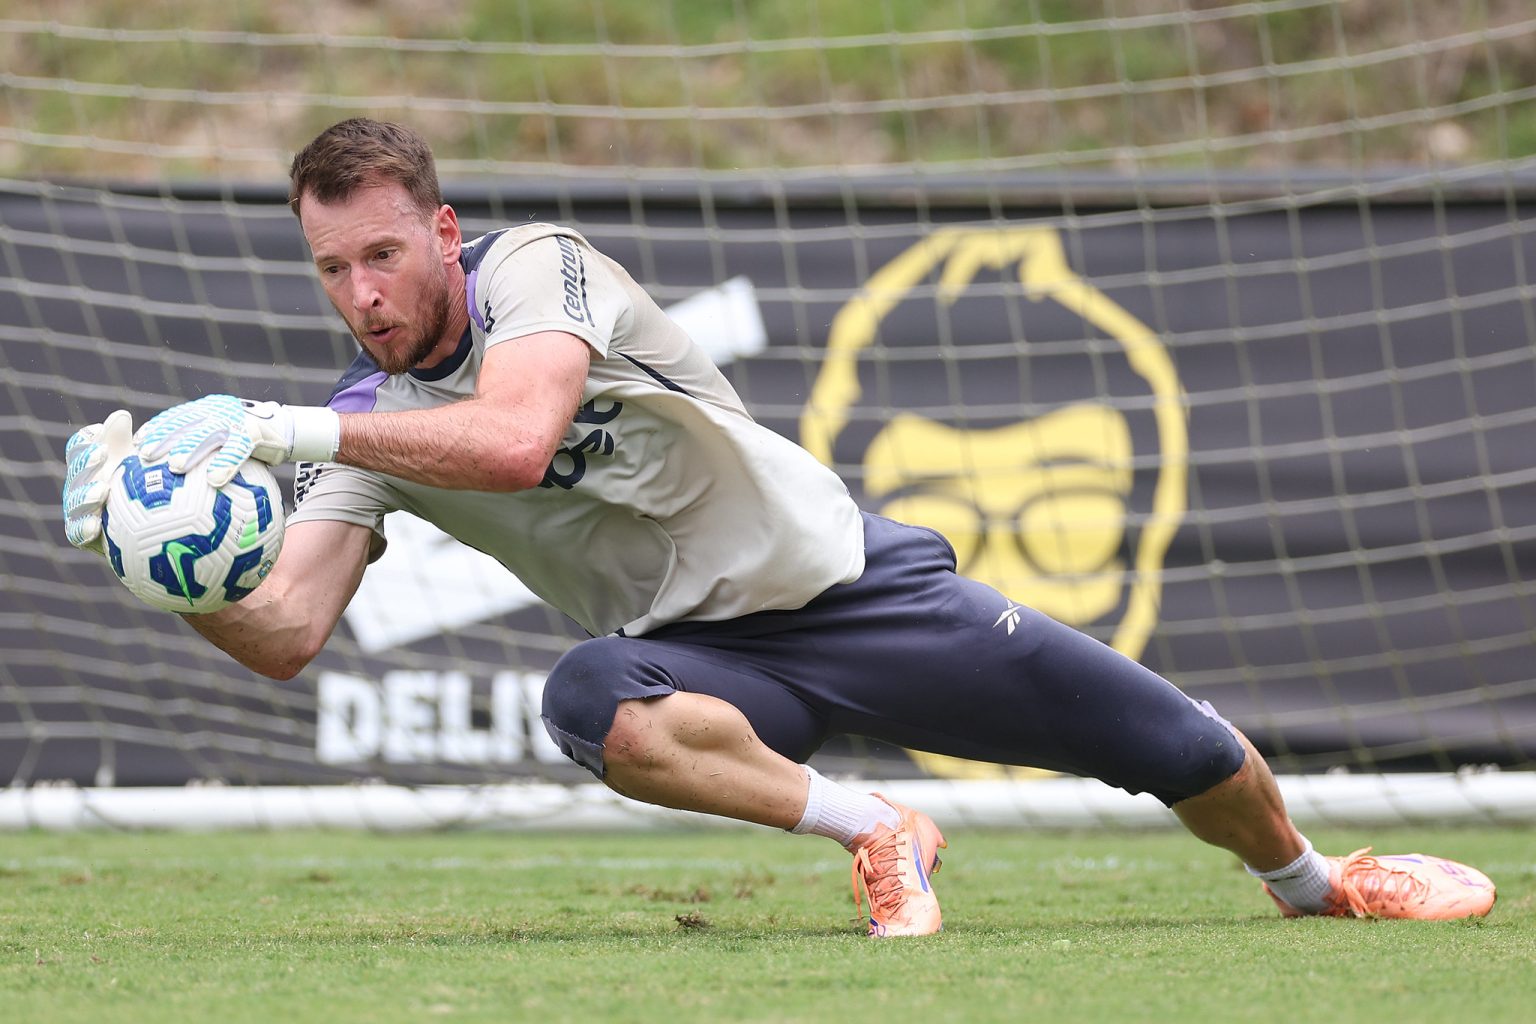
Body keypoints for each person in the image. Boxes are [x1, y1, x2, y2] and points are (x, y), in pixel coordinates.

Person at [62, 118, 1496, 935]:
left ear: (442, 234)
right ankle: (879, 829)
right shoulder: (362, 420)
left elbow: (509, 442)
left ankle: (1319, 886)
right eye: (331, 270)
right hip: (702, 665)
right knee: (586, 701)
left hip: (851, 590)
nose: (362, 294)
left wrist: (291, 431)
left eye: (382, 253)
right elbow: (287, 636)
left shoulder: (538, 273)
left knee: (1181, 751)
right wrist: (148, 560)